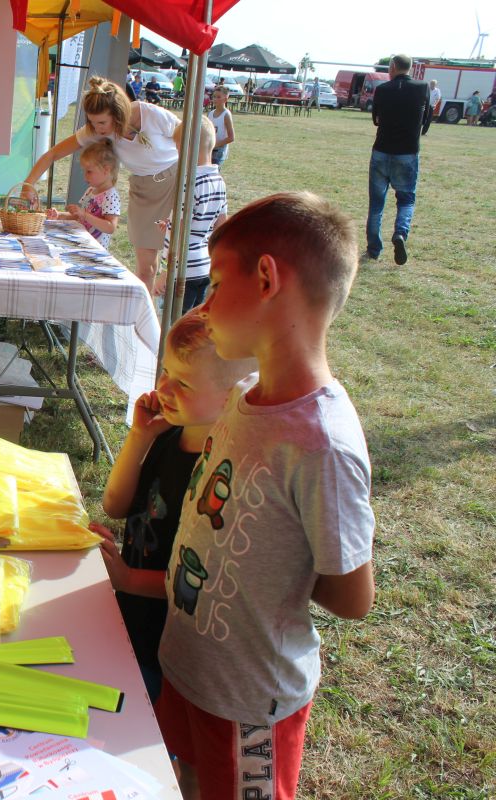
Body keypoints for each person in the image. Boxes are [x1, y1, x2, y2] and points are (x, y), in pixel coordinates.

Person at [156, 192, 376, 800]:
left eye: (216, 283)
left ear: (266, 278)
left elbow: (352, 596)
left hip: (250, 697)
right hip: (191, 666)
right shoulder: (241, 394)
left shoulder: (320, 444)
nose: (206, 304)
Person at [94, 310, 256, 703]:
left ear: (231, 397)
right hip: (130, 614)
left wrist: (129, 579)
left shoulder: (222, 471)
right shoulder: (171, 433)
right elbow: (115, 506)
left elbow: (203, 577)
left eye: (183, 383)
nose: (163, 389)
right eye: (164, 372)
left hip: (167, 635)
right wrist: (139, 437)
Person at [24, 76, 180, 289]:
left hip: (176, 181)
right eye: (92, 122)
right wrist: (29, 184)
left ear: (118, 114)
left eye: (102, 122)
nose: (97, 129)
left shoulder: (149, 114)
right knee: (146, 267)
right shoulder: (96, 130)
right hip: (143, 190)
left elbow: (189, 136)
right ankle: (142, 319)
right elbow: (53, 154)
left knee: (177, 262)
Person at [157, 116, 228, 312]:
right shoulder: (218, 181)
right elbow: (220, 226)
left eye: (179, 148)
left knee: (173, 326)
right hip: (204, 267)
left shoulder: (188, 185)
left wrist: (165, 272)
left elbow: (179, 233)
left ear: (190, 147)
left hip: (182, 272)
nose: (178, 154)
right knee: (192, 327)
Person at [365, 53, 430, 265]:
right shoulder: (422, 88)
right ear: (409, 68)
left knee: (376, 204)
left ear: (392, 67)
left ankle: (374, 249)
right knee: (406, 200)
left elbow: (375, 119)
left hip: (382, 150)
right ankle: (400, 233)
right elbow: (427, 118)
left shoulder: (383, 89)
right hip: (408, 152)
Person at [45, 140, 120, 249]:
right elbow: (78, 217)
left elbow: (110, 227)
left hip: (95, 250)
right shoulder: (90, 191)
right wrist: (59, 215)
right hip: (81, 243)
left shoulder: (111, 196)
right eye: (84, 171)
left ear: (106, 170)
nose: (85, 176)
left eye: (89, 171)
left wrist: (85, 215)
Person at [207, 85, 234, 166]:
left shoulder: (226, 115)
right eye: (214, 96)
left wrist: (216, 144)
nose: (215, 99)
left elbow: (231, 138)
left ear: (225, 99)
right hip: (209, 149)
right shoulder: (210, 113)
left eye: (218, 97)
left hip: (219, 151)